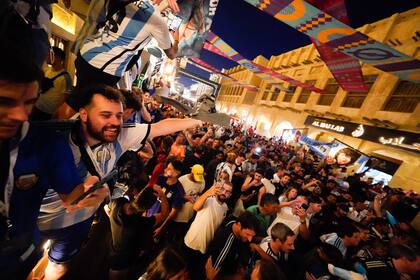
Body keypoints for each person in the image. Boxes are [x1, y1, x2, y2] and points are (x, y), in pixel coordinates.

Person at [37, 85, 202, 279]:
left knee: (58, 267)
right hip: (40, 219)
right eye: (105, 115)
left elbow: (160, 127)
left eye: (119, 115)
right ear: (83, 114)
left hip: (77, 223)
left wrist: (197, 120)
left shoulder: (121, 134)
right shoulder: (55, 139)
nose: (115, 122)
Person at [0, 44, 107, 280]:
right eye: (6, 101)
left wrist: (92, 194)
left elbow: (73, 198)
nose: (20, 115)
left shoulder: (48, 144)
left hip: (18, 255)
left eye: (28, 102)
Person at [57, 0, 179, 118]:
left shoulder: (132, 3)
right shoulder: (157, 21)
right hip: (104, 68)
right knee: (78, 103)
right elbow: (172, 54)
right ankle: (52, 130)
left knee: (81, 98)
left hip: (88, 52)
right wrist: (176, 38)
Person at [106, 185, 170, 280]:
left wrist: (111, 216)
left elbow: (107, 208)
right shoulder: (141, 222)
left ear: (138, 194)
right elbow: (164, 214)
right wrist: (162, 196)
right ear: (147, 208)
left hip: (114, 252)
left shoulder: (118, 202)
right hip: (125, 259)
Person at [183, 182, 233, 279]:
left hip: (204, 248)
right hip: (191, 243)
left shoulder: (225, 208)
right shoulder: (209, 199)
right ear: (219, 189)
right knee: (182, 270)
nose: (224, 192)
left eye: (228, 192)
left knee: (192, 274)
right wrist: (208, 192)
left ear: (230, 195)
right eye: (223, 189)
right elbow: (195, 207)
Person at [207, 211, 260, 278]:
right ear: (239, 225)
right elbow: (213, 271)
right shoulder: (226, 243)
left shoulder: (233, 222)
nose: (250, 239)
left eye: (252, 236)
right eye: (248, 234)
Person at [32, 47, 72, 120]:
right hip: (37, 107)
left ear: (58, 58)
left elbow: (64, 98)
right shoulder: (47, 70)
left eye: (49, 55)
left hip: (49, 113)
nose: (47, 57)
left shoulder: (66, 77)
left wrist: (55, 114)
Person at [174, 164, 205, 234]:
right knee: (175, 230)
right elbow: (173, 194)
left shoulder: (202, 180)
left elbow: (200, 192)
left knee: (184, 231)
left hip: (190, 214)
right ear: (192, 173)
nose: (198, 179)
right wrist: (184, 197)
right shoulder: (182, 180)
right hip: (178, 215)